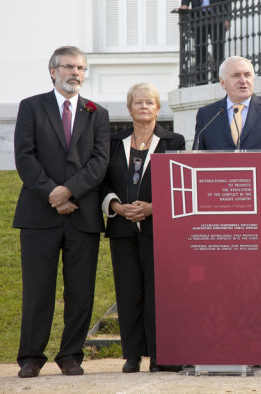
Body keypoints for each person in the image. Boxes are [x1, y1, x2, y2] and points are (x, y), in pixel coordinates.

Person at [13, 46, 110, 378]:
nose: (76, 73)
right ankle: (30, 356)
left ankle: (71, 355)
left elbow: (100, 162)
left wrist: (69, 192)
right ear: (52, 71)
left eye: (81, 68)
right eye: (69, 66)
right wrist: (52, 193)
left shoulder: (98, 112)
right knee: (38, 288)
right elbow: (25, 157)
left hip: (82, 216)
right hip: (39, 215)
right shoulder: (31, 107)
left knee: (80, 290)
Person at [101, 83, 186, 373]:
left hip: (158, 230)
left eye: (150, 102)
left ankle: (160, 355)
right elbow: (104, 183)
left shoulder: (174, 141)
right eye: (138, 102)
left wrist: (154, 207)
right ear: (129, 108)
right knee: (128, 292)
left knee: (157, 292)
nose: (144, 107)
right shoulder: (114, 142)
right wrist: (115, 206)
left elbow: (180, 183)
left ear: (158, 108)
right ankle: (132, 355)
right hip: (122, 229)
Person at [192, 55, 261, 175]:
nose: (243, 80)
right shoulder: (207, 115)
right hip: (219, 189)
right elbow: (197, 156)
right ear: (222, 83)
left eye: (247, 75)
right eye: (236, 75)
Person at [180, 0, 230, 84]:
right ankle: (201, 79)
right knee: (200, 48)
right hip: (199, 14)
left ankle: (217, 78)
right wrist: (184, 4)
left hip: (217, 13)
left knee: (218, 48)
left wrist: (227, 18)